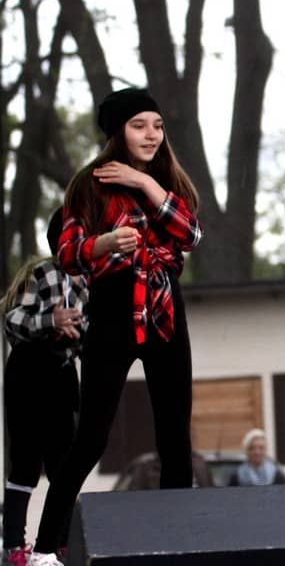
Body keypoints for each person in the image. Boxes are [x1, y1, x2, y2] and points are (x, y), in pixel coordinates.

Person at [28, 87, 202, 566]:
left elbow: (191, 234)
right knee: (91, 438)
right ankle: (45, 550)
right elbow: (67, 254)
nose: (151, 135)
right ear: (117, 132)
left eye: (157, 125)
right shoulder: (90, 185)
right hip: (112, 308)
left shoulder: (168, 182)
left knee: (175, 438)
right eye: (138, 125)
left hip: (164, 310)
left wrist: (144, 183)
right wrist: (103, 243)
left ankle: (177, 546)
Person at [1, 209, 88, 566]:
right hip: (28, 371)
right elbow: (13, 319)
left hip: (62, 373)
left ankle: (55, 543)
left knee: (62, 466)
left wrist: (78, 332)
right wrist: (51, 319)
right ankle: (13, 545)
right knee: (25, 462)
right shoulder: (45, 273)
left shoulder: (90, 284)